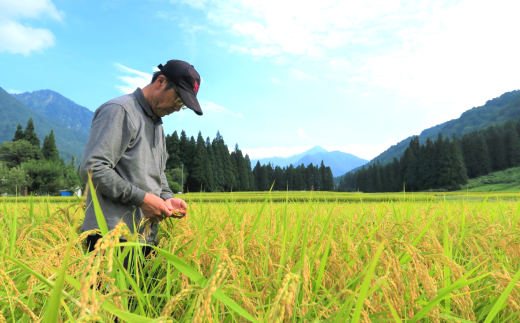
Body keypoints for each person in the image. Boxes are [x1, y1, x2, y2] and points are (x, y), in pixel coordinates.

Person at [80, 60, 203, 266]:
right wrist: (143, 199)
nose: (178, 108)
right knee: (107, 299)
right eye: (178, 99)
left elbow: (157, 171)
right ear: (161, 82)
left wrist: (166, 197)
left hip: (144, 237)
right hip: (111, 239)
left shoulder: (156, 123)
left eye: (183, 105)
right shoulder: (120, 110)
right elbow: (94, 168)